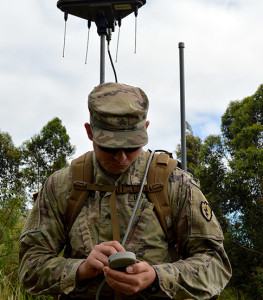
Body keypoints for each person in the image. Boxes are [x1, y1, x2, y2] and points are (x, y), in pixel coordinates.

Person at [19, 82, 232, 300]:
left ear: (146, 128)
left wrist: (158, 276)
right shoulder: (62, 185)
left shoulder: (174, 184)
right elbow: (30, 265)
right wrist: (79, 269)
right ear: (89, 132)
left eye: (131, 147)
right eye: (110, 147)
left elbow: (215, 263)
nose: (121, 158)